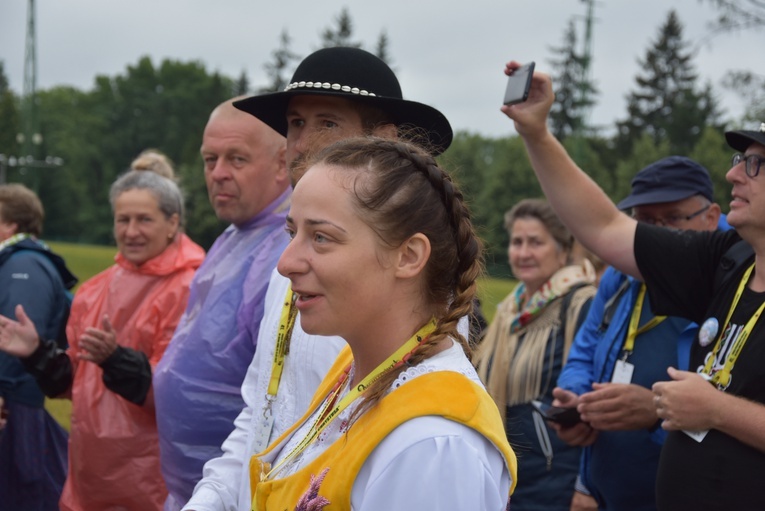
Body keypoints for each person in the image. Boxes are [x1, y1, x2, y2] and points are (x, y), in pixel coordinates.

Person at [183, 46, 461, 511]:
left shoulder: (407, 288)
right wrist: (210, 500)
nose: (303, 143)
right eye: (295, 123)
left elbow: (397, 451)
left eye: (328, 123)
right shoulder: (290, 267)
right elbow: (260, 413)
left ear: (386, 140)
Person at [502, 57, 765, 510]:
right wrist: (536, 133)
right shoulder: (730, 259)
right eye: (740, 159)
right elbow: (604, 228)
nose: (733, 174)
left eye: (756, 164)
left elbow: (711, 412)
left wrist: (718, 411)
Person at [251, 136, 516, 510]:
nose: (285, 263)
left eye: (321, 237)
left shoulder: (432, 446)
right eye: (293, 233)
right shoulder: (354, 369)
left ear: (408, 256)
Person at [0, 169, 205, 510]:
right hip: (87, 481)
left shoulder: (191, 288)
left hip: (152, 483)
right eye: (122, 219)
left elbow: (181, 398)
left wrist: (116, 361)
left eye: (144, 219)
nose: (131, 231)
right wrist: (37, 353)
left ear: (173, 223)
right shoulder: (95, 290)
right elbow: (76, 385)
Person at [554, 157, 725, 511]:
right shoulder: (619, 275)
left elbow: (734, 416)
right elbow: (584, 353)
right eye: (646, 221)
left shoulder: (731, 284)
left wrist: (656, 413)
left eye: (673, 219)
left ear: (711, 218)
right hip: (606, 494)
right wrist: (579, 401)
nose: (657, 234)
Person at [153, 98, 292, 510]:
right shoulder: (233, 236)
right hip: (195, 489)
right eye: (209, 159)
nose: (217, 174)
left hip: (237, 490)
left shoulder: (283, 250)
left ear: (283, 163)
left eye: (236, 159)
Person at [474, 198, 596, 511]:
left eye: (536, 242)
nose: (523, 252)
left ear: (562, 248)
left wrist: (584, 485)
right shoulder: (508, 312)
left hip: (558, 482)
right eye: (517, 242)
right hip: (509, 475)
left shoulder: (582, 304)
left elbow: (594, 398)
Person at [0, 183, 74, 511]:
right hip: (15, 402)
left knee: (24, 492)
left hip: (12, 406)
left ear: (10, 225)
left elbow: (14, 340)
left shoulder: (24, 266)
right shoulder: (20, 261)